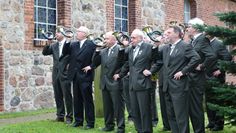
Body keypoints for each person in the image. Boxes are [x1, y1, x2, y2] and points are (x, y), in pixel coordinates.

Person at [144, 26, 201, 133]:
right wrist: (156, 46)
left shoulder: (185, 46)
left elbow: (196, 58)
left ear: (177, 34)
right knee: (171, 115)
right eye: (165, 33)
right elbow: (158, 61)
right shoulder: (165, 47)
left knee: (181, 115)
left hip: (179, 86)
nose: (166, 35)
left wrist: (183, 71)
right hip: (167, 86)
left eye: (168, 33)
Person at [114, 29, 158, 133]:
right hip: (132, 84)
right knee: (135, 110)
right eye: (131, 37)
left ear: (140, 38)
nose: (131, 39)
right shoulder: (131, 49)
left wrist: (151, 71)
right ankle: (139, 130)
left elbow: (158, 61)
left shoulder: (149, 47)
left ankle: (147, 131)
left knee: (144, 111)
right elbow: (126, 64)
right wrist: (120, 75)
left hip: (143, 83)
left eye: (133, 38)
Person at [83, 31, 125, 133]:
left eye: (106, 39)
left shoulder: (120, 50)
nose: (104, 41)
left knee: (118, 106)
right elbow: (95, 62)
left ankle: (120, 127)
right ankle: (109, 125)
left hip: (115, 81)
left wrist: (120, 74)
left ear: (114, 39)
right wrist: (97, 49)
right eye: (104, 39)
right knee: (107, 106)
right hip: (105, 82)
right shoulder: (103, 51)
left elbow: (125, 64)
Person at [186, 18, 216, 133]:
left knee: (196, 109)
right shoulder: (193, 40)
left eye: (189, 26)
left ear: (195, 28)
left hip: (197, 79)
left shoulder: (202, 39)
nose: (187, 28)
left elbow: (212, 56)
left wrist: (202, 66)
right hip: (190, 79)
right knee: (192, 109)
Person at [63, 26, 96, 129]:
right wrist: (67, 40)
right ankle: (78, 121)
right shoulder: (74, 44)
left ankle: (90, 123)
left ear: (85, 34)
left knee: (87, 100)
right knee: (76, 99)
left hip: (85, 76)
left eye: (78, 32)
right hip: (75, 76)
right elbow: (65, 52)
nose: (76, 33)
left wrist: (91, 66)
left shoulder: (91, 44)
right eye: (76, 31)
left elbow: (97, 57)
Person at [42, 26, 73, 124]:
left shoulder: (70, 45)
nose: (56, 34)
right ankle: (60, 116)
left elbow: (74, 58)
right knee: (58, 95)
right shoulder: (54, 45)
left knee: (67, 95)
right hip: (56, 74)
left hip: (66, 74)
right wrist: (48, 42)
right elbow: (45, 52)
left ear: (63, 34)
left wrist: (70, 67)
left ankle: (69, 117)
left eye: (58, 33)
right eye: (56, 33)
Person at [205, 35, 232, 131]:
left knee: (217, 100)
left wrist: (221, 70)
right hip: (206, 76)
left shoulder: (219, 43)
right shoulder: (206, 44)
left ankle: (219, 124)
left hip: (216, 77)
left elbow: (228, 57)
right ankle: (211, 122)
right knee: (208, 100)